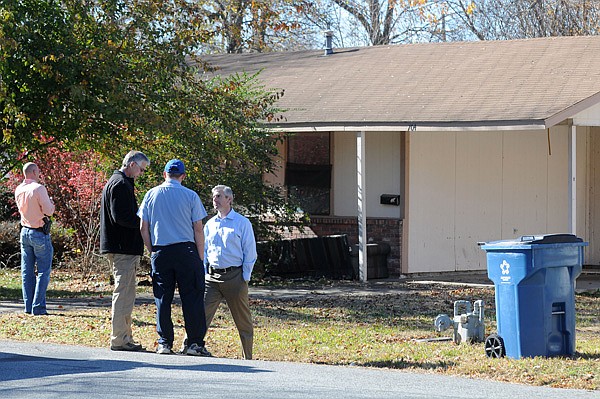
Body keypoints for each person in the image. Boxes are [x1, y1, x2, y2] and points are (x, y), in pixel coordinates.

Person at [138, 159, 211, 356]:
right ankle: (195, 343)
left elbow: (143, 228)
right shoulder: (190, 196)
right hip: (186, 250)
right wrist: (200, 255)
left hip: (161, 250)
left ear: (164, 174)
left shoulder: (151, 194)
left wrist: (152, 249)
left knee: (162, 297)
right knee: (192, 297)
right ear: (183, 176)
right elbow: (198, 228)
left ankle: (164, 342)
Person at [100, 151, 150, 351]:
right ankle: (119, 339)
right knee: (123, 293)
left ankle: (125, 336)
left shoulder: (117, 182)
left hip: (121, 247)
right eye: (140, 169)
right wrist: (144, 222)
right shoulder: (120, 184)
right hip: (123, 248)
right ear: (130, 164)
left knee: (127, 293)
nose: (141, 173)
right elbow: (121, 217)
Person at [203, 185, 257, 360]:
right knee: (200, 315)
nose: (215, 200)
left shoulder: (242, 223)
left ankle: (247, 356)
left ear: (229, 199)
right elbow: (204, 250)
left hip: (234, 277)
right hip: (211, 278)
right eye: (213, 197)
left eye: (218, 196)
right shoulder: (210, 224)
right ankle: (191, 348)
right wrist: (204, 272)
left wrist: (245, 277)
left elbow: (250, 251)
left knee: (243, 321)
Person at [14, 162, 55, 316]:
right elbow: (48, 211)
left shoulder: (19, 189)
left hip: (24, 231)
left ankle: (28, 305)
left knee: (27, 271)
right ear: (33, 171)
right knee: (43, 271)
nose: (39, 174)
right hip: (39, 232)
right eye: (38, 171)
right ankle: (38, 307)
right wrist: (52, 204)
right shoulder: (39, 188)